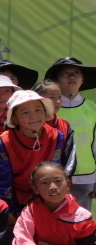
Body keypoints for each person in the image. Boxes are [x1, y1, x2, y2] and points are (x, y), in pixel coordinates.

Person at [0, 90, 72, 217]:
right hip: (16, 200)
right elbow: (1, 180)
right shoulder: (5, 142)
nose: (34, 116)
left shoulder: (55, 136)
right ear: (15, 119)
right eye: (26, 112)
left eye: (38, 110)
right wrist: (8, 211)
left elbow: (55, 173)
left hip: (47, 198)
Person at [44, 57, 96, 212]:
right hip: (53, 176)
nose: (72, 77)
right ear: (56, 80)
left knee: (82, 220)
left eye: (76, 73)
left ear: (82, 80)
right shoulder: (46, 109)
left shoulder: (92, 108)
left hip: (86, 175)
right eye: (66, 73)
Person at [34, 80, 77, 179]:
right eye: (52, 97)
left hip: (58, 179)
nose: (58, 101)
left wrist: (64, 178)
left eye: (60, 97)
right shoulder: (30, 124)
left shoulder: (64, 124)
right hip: (31, 178)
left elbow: (70, 156)